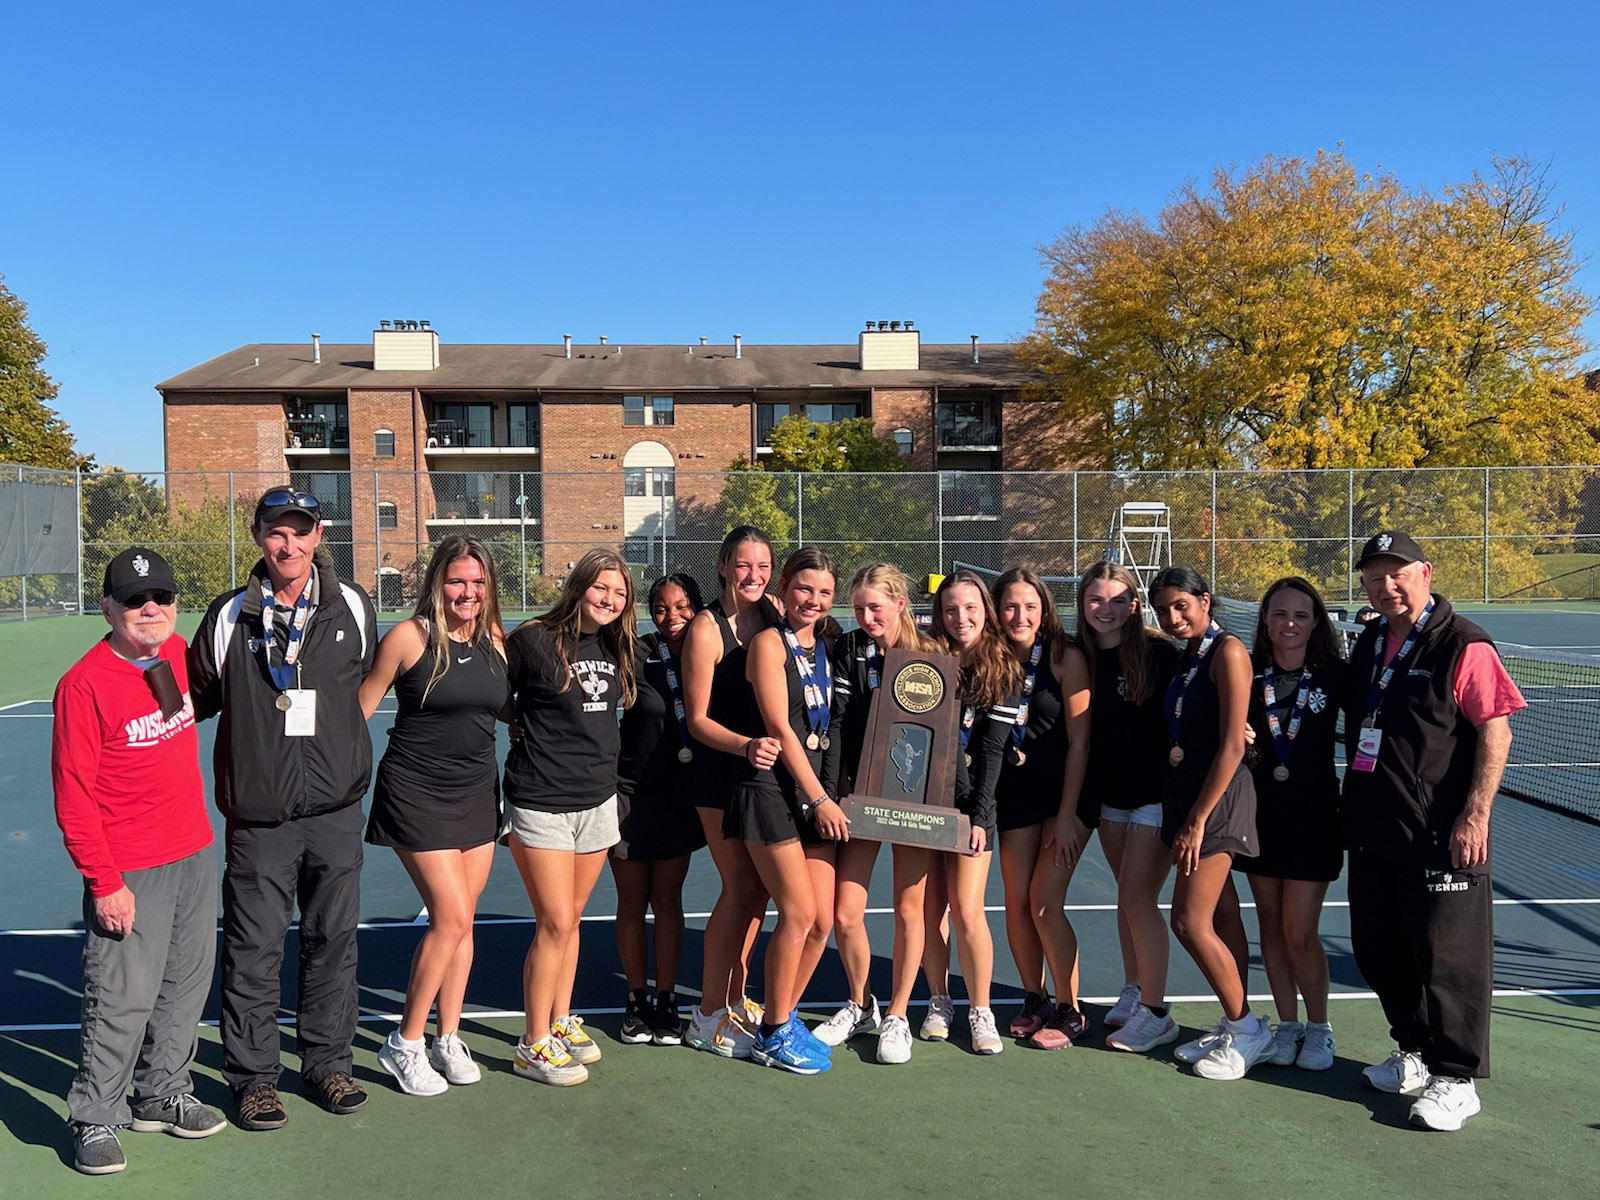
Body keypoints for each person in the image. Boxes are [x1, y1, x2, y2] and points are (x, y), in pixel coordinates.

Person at [189, 488, 378, 1131]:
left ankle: (328, 1065)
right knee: (254, 949)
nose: (288, 545)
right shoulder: (227, 616)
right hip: (260, 819)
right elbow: (188, 697)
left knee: (333, 943)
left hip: (333, 813)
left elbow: (367, 683)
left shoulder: (354, 605)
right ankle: (253, 1080)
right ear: (258, 536)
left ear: (319, 535)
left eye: (300, 531)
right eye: (276, 532)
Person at [1342, 531, 1524, 1131]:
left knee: (1449, 961)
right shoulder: (1369, 640)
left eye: (1397, 574)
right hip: (1375, 829)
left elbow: (1496, 730)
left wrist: (1476, 813)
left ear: (1424, 572)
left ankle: (1457, 1077)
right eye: (1374, 576)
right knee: (1378, 949)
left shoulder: (1463, 643)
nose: (1386, 586)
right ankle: (1415, 1053)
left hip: (1443, 835)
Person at [52, 547, 225, 1174]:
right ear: (109, 607)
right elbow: (74, 797)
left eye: (161, 598)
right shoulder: (83, 684)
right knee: (121, 996)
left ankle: (164, 1093)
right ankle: (95, 1116)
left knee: (185, 987)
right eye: (133, 600)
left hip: (194, 851)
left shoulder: (175, 653)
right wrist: (104, 882)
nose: (150, 609)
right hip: (130, 866)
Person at [358, 536, 510, 1096]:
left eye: (476, 582)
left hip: (476, 793)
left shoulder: (497, 640)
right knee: (448, 917)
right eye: (456, 581)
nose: (467, 592)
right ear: (437, 583)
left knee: (464, 919)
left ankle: (449, 1036)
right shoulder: (408, 637)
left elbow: (513, 712)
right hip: (416, 792)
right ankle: (405, 1041)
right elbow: (361, 707)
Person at [502, 548, 638, 1086]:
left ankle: (558, 1021)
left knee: (572, 921)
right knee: (554, 922)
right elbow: (496, 693)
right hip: (541, 800)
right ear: (579, 586)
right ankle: (532, 1043)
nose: (610, 599)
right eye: (602, 588)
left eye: (620, 593)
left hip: (597, 799)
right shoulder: (533, 639)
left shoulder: (616, 642)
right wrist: (522, 724)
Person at [810, 562, 941, 1064]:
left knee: (911, 910)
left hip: (913, 800)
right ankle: (861, 1002)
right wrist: (831, 792)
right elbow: (839, 723)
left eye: (876, 606)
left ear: (900, 605)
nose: (866, 616)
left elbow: (944, 738)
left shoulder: (931, 655)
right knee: (845, 914)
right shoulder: (849, 650)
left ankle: (898, 1015)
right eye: (859, 607)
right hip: (861, 797)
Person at [1147, 566, 1269, 1081]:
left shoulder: (1229, 652)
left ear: (1205, 599)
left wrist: (1197, 819)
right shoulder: (1190, 656)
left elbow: (1234, 743)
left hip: (1216, 806)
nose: (1173, 618)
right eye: (1162, 611)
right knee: (1222, 918)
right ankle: (1233, 1022)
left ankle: (1247, 1029)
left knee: (1188, 922)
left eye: (1181, 606)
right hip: (1189, 800)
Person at [728, 546, 844, 1074]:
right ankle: (772, 1034)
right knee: (796, 912)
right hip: (771, 790)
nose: (813, 600)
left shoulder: (829, 646)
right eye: (804, 589)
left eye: (823, 592)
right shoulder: (766, 644)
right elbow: (779, 726)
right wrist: (819, 798)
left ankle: (785, 1015)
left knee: (820, 922)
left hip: (814, 792)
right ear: (784, 589)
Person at [1067, 562, 1183, 1054]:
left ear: (1134, 606)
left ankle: (1157, 1013)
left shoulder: (1160, 654)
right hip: (1110, 798)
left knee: (1138, 898)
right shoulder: (1079, 657)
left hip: (1156, 797)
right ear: (1083, 605)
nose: (1106, 609)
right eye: (1097, 600)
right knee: (1126, 898)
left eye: (1117, 600)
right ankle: (1135, 989)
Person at [1236, 577, 1348, 1072]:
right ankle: (1287, 1024)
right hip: (1260, 819)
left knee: (1299, 930)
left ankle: (1319, 1027)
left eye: (1301, 616)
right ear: (1265, 619)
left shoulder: (1335, 676)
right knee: (1270, 926)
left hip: (1315, 818)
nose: (1290, 624)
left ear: (1316, 623)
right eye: (1280, 614)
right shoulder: (1248, 674)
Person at [681, 527, 781, 1059]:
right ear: (723, 567)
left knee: (759, 893)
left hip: (760, 776)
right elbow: (696, 720)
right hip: (720, 775)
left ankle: (736, 999)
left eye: (763, 567)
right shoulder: (706, 629)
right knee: (739, 888)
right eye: (744, 565)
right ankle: (707, 1012)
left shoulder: (773, 615)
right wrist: (746, 746)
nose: (754, 576)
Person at [987, 568, 1091, 1049]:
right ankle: (1036, 997)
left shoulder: (1066, 656)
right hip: (1015, 795)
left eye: (1030, 606)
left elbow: (1080, 743)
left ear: (1044, 609)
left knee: (1044, 902)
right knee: (1015, 903)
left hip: (1064, 797)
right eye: (1010, 606)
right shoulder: (991, 657)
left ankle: (1072, 1008)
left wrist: (1068, 815)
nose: (1020, 615)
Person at [919, 570, 1021, 1055]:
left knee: (966, 909)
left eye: (971, 607)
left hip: (970, 807)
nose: (961, 618)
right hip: (923, 802)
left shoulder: (1002, 667)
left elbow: (994, 752)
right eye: (951, 609)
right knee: (928, 910)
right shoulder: (925, 659)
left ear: (986, 609)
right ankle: (939, 1001)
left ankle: (982, 1010)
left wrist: (980, 817)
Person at [611, 573, 709, 1046]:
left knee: (668, 901)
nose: (673, 617)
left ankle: (667, 1001)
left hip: (679, 796)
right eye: (662, 607)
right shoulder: (630, 651)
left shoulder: (710, 651)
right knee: (631, 902)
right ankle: (635, 1001)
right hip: (628, 794)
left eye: (683, 606)